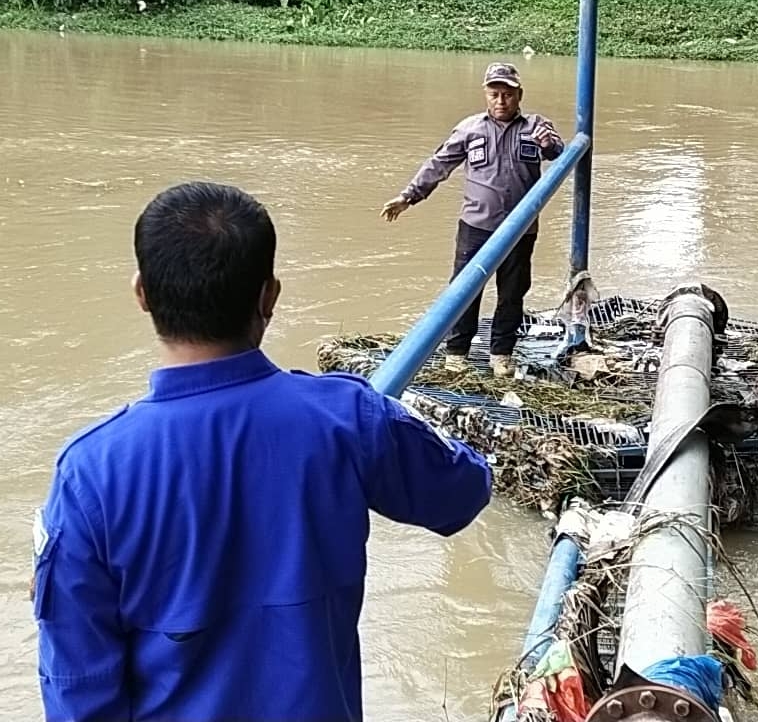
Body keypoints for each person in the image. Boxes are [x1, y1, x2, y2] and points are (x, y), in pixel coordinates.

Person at [32, 181, 491, 722]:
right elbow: (464, 490)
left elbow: (77, 686)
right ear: (269, 296)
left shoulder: (90, 472)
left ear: (142, 293)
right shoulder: (346, 418)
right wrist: (384, 419)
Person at [381, 62, 564, 378]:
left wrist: (549, 145)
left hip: (520, 229)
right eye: (495, 94)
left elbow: (558, 152)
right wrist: (408, 197)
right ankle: (456, 353)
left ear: (519, 95)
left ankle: (501, 354)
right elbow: (439, 165)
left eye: (508, 94)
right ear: (485, 95)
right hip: (476, 227)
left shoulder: (536, 126)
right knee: (464, 290)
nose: (501, 100)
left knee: (512, 293)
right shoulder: (469, 129)